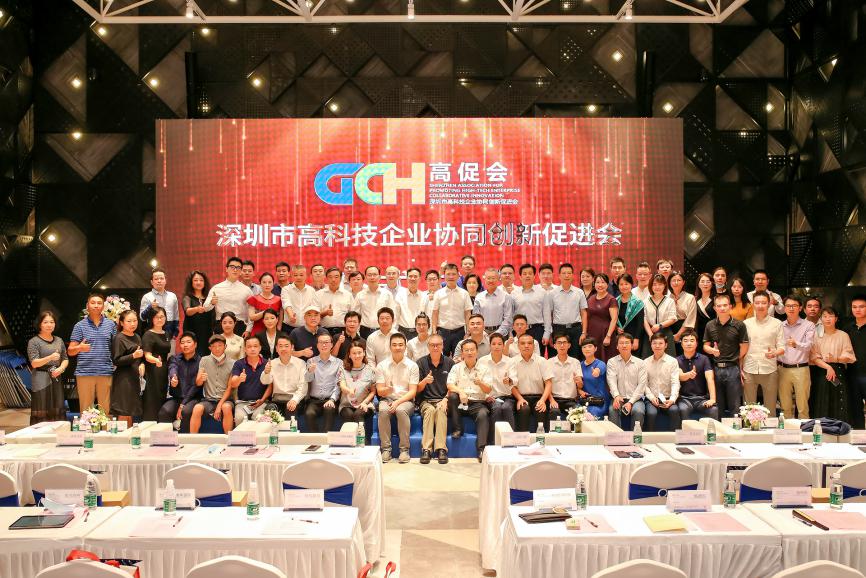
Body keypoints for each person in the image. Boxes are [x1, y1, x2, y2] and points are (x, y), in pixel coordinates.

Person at [703, 293, 749, 417]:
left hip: (733, 368)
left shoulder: (739, 325)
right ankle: (720, 428)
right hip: (716, 368)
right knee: (718, 405)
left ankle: (735, 428)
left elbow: (744, 346)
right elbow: (705, 346)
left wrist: (736, 359)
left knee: (735, 405)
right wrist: (712, 350)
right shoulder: (710, 325)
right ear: (715, 308)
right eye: (719, 306)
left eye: (725, 305)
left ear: (730, 306)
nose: (722, 308)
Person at [68, 293, 116, 413]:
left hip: (105, 371)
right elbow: (70, 351)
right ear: (87, 306)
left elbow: (115, 348)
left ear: (103, 306)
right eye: (93, 303)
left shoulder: (111, 325)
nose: (96, 305)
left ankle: (105, 426)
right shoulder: (79, 326)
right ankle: (86, 426)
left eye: (99, 303)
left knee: (105, 409)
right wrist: (79, 347)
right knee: (86, 410)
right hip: (85, 372)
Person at [376, 333, 419, 463]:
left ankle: (404, 450)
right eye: (394, 345)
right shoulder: (382, 366)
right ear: (390, 347)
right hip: (387, 399)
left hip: (406, 400)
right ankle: (386, 449)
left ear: (405, 347)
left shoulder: (412, 366)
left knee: (400, 410)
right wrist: (387, 390)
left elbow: (413, 392)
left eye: (400, 345)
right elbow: (380, 391)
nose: (397, 347)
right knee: (383, 410)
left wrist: (398, 402)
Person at [447, 339, 493, 461]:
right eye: (466, 350)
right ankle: (458, 429)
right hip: (460, 402)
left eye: (472, 350)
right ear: (462, 353)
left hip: (477, 402)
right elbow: (450, 385)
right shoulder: (456, 367)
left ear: (477, 351)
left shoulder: (485, 368)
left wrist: (480, 383)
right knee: (453, 396)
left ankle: (481, 449)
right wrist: (461, 392)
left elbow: (488, 389)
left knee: (483, 414)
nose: (469, 352)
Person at [741, 291, 784, 416]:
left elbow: (782, 347)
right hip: (749, 368)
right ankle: (750, 427)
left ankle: (770, 428)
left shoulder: (777, 323)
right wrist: (740, 368)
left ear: (769, 304)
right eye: (757, 303)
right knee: (749, 409)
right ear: (753, 304)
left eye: (763, 303)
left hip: (770, 368)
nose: (760, 306)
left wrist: (775, 353)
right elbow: (742, 348)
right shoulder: (746, 323)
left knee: (770, 408)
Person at [811, 307, 857, 423]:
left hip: (839, 370)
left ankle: (840, 428)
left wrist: (836, 359)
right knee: (822, 399)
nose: (828, 319)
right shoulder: (816, 335)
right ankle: (822, 428)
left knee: (839, 401)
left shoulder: (843, 335)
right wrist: (828, 367)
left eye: (831, 316)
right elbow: (814, 357)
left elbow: (849, 355)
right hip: (822, 371)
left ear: (836, 319)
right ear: (821, 319)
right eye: (825, 316)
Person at [415, 333, 454, 464]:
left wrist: (446, 399)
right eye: (433, 345)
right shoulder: (421, 363)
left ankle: (441, 449)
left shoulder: (450, 363)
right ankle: (426, 449)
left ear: (442, 346)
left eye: (438, 345)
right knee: (430, 411)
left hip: (443, 400)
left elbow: (454, 385)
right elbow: (416, 389)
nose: (435, 348)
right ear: (428, 346)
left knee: (440, 411)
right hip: (425, 401)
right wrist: (424, 381)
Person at [27, 312, 68, 424]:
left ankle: (58, 432)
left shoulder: (59, 340)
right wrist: (50, 357)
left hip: (56, 376)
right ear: (39, 324)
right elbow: (34, 363)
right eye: (45, 322)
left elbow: (65, 359)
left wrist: (61, 369)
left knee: (57, 405)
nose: (49, 325)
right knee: (42, 406)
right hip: (41, 377)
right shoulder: (34, 341)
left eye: (52, 322)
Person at [778, 296, 815, 419]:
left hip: (801, 369)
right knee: (785, 406)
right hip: (782, 369)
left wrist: (796, 344)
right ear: (784, 308)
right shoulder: (780, 326)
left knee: (802, 406)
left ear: (800, 308)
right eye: (788, 306)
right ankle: (787, 429)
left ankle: (804, 429)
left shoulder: (808, 325)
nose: (791, 308)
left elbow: (809, 346)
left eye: (794, 306)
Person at [509, 333, 554, 432]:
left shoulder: (542, 361)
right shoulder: (512, 362)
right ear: (518, 346)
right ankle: (522, 439)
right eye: (523, 343)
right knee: (523, 409)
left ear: (534, 345)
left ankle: (541, 439)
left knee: (540, 408)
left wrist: (543, 400)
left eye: (529, 343)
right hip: (520, 396)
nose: (526, 346)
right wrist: (520, 399)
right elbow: (511, 385)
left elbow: (548, 383)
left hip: (539, 396)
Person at [190, 334, 235, 433]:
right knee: (197, 408)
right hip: (209, 400)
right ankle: (192, 438)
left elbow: (230, 388)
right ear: (210, 348)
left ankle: (229, 438)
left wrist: (219, 406)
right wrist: (201, 379)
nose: (217, 348)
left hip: (225, 400)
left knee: (226, 407)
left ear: (225, 346)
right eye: (213, 346)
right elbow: (198, 383)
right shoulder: (204, 360)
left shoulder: (233, 363)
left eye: (220, 345)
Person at [543, 263, 588, 359]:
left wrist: (584, 332)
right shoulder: (552, 293)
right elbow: (549, 315)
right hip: (558, 329)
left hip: (576, 329)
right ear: (559, 276)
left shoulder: (579, 292)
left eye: (569, 273)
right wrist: (549, 333)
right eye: (564, 273)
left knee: (576, 358)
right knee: (557, 358)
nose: (566, 275)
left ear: (573, 275)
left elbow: (584, 313)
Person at [203, 256, 253, 335]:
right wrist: (212, 303)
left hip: (240, 326)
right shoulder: (216, 288)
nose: (235, 270)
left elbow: (251, 311)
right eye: (232, 267)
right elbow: (205, 308)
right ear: (226, 269)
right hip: (221, 326)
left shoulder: (247, 290)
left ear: (241, 271)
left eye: (238, 267)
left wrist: (248, 330)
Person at [606, 333, 648, 428]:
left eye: (627, 343)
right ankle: (616, 436)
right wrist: (616, 396)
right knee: (613, 410)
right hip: (618, 397)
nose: (624, 345)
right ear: (617, 346)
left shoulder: (640, 363)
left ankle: (636, 436)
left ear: (632, 345)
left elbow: (641, 385)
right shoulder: (612, 362)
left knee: (638, 411)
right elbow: (611, 381)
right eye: (621, 343)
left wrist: (630, 402)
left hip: (636, 398)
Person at [229, 335, 273, 425]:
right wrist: (239, 379)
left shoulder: (267, 364)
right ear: (245, 349)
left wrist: (262, 400)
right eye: (249, 347)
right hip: (243, 403)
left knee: (258, 418)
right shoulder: (239, 363)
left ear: (260, 348)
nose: (252, 349)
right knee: (239, 418)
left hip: (262, 403)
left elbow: (270, 385)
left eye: (255, 346)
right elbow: (233, 384)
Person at [160, 332, 201, 428]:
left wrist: (183, 404)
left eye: (188, 342)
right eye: (182, 343)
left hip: (193, 398)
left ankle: (185, 437)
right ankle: (168, 436)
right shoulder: (175, 358)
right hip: (177, 397)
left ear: (195, 344)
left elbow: (195, 386)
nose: (185, 345)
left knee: (186, 412)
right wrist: (173, 377)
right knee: (164, 411)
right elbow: (172, 368)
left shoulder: (201, 361)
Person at [643, 332, 683, 431]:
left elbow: (675, 382)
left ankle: (674, 438)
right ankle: (650, 438)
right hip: (652, 399)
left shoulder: (672, 361)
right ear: (651, 345)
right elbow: (644, 384)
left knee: (674, 410)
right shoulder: (645, 362)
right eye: (654, 343)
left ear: (666, 345)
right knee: (651, 413)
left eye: (660, 343)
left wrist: (672, 399)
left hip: (668, 398)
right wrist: (651, 397)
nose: (657, 346)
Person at [676, 329, 718, 420]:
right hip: (684, 399)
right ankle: (685, 430)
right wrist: (688, 375)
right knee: (682, 409)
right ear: (681, 343)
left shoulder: (704, 359)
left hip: (701, 399)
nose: (689, 343)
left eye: (692, 340)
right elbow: (680, 376)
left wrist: (712, 399)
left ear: (696, 343)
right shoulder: (677, 360)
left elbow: (710, 379)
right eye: (685, 341)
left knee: (713, 410)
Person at [432, 263, 473, 357]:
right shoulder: (438, 293)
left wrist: (468, 333)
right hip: (442, 332)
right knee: (441, 359)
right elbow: (435, 313)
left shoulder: (464, 293)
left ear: (458, 275)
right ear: (444, 276)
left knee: (459, 359)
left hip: (459, 332)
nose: (451, 277)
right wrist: (434, 333)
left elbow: (468, 314)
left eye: (453, 274)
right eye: (448, 274)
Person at [339, 343, 376, 443]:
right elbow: (342, 386)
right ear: (349, 355)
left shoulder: (370, 370)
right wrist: (349, 391)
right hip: (347, 404)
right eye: (354, 353)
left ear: (364, 353)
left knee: (358, 414)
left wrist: (365, 403)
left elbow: (373, 392)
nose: (357, 355)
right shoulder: (343, 368)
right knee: (348, 414)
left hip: (365, 404)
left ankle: (363, 443)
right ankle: (348, 444)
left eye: (359, 352)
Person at [304, 333, 341, 432]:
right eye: (321, 342)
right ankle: (315, 439)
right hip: (314, 400)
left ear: (332, 345)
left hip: (330, 399)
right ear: (317, 345)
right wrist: (310, 372)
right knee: (309, 413)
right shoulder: (311, 361)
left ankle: (325, 438)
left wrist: (332, 399)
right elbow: (307, 380)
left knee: (329, 410)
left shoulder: (338, 363)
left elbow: (338, 385)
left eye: (326, 342)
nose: (324, 345)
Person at [480, 333, 516, 433]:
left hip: (507, 397)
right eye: (494, 344)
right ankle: (494, 439)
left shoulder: (510, 361)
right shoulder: (482, 361)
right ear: (490, 345)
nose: (496, 346)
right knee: (496, 407)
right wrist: (486, 396)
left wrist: (509, 380)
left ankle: (511, 438)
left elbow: (515, 379)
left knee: (506, 408)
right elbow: (479, 382)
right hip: (490, 397)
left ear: (503, 346)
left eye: (499, 344)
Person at [141, 306, 171, 421]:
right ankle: (149, 423)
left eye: (162, 316)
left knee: (162, 396)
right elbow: (147, 356)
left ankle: (161, 424)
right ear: (151, 319)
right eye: (156, 317)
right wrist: (156, 360)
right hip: (152, 369)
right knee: (152, 398)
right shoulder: (148, 334)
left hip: (163, 369)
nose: (159, 319)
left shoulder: (166, 333)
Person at [268, 334, 307, 420]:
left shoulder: (301, 363)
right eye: (280, 346)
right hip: (277, 399)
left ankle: (292, 429)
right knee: (269, 412)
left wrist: (295, 400)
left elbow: (303, 386)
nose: (283, 349)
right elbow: (265, 381)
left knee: (291, 410)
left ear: (292, 347)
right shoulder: (272, 363)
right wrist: (266, 372)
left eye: (286, 346)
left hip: (294, 398)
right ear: (276, 348)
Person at [545, 333, 582, 420]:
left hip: (571, 400)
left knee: (578, 413)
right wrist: (551, 400)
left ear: (569, 345)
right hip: (554, 399)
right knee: (554, 412)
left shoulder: (575, 362)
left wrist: (579, 382)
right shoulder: (549, 363)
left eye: (564, 342)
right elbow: (546, 384)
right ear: (554, 346)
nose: (562, 345)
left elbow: (580, 386)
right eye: (559, 343)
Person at [353, 266, 397, 338]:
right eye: (369, 275)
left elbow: (393, 314)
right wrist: (356, 332)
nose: (372, 277)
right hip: (364, 332)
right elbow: (356, 316)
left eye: (375, 275)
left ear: (379, 277)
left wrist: (391, 331)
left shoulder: (387, 294)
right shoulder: (360, 295)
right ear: (366, 277)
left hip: (383, 330)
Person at [511, 264, 546, 348]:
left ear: (534, 276)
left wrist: (547, 333)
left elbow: (547, 314)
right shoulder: (514, 293)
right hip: (519, 329)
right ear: (520, 276)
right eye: (524, 274)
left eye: (530, 273)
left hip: (537, 330)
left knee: (537, 354)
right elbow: (511, 314)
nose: (527, 276)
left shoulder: (542, 292)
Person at [473, 268, 515, 338]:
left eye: (493, 278)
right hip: (482, 333)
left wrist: (497, 333)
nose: (491, 281)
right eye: (488, 278)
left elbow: (508, 319)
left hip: (501, 334)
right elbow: (476, 317)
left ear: (498, 279)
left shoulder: (505, 296)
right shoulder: (479, 297)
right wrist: (483, 333)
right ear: (485, 279)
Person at [585, 273, 618, 361]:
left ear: (607, 284)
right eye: (597, 282)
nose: (600, 285)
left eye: (603, 282)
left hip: (605, 335)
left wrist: (608, 336)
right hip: (592, 334)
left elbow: (614, 319)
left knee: (605, 358)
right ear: (594, 284)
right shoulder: (590, 299)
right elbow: (587, 317)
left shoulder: (611, 299)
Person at [139, 267, 180, 338]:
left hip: (169, 330)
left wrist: (176, 331)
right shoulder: (147, 297)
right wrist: (150, 307)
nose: (159, 281)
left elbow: (176, 315)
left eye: (161, 278)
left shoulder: (172, 296)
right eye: (156, 279)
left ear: (165, 280)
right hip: (153, 330)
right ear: (152, 282)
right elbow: (142, 317)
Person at [642, 274, 677, 357]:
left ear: (664, 286)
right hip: (650, 332)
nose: (657, 287)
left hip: (665, 332)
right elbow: (644, 319)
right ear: (651, 286)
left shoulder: (670, 301)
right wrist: (650, 334)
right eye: (654, 284)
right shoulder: (645, 301)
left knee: (669, 360)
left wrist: (660, 325)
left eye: (660, 284)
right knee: (648, 359)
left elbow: (673, 318)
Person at [181, 270, 214, 356]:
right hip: (192, 332)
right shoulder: (187, 297)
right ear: (191, 283)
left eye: (201, 280)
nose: (198, 282)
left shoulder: (209, 298)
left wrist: (213, 303)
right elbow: (187, 311)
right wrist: (196, 309)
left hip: (207, 333)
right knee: (193, 356)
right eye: (195, 280)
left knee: (206, 356)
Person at [845, 295, 866, 429]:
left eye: (861, 307)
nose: (857, 310)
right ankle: (860, 435)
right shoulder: (847, 329)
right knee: (855, 409)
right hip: (852, 374)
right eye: (854, 307)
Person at [315, 268, 352, 339]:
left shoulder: (348, 295)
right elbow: (313, 316)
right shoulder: (318, 294)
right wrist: (325, 313)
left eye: (336, 277)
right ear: (326, 278)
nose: (333, 280)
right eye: (330, 277)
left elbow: (352, 315)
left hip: (344, 331)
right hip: (324, 331)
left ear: (340, 278)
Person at [578, 338, 609, 420]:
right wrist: (580, 391)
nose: (587, 349)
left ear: (595, 348)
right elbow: (578, 386)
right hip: (584, 401)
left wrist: (596, 372)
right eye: (584, 347)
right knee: (574, 413)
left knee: (590, 415)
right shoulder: (579, 365)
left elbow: (598, 370)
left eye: (590, 346)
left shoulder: (600, 363)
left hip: (599, 402)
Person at [669, 271, 697, 356]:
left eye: (679, 280)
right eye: (673, 280)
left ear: (683, 282)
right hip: (669, 329)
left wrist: (678, 335)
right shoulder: (667, 298)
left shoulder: (690, 297)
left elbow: (690, 318)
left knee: (684, 355)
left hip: (685, 330)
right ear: (669, 282)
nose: (676, 283)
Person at [615, 273, 644, 354]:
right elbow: (613, 320)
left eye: (626, 284)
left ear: (631, 285)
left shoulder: (638, 302)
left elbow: (640, 323)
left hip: (633, 338)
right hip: (620, 339)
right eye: (621, 284)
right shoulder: (615, 301)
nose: (624, 286)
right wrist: (617, 328)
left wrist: (636, 339)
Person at [282, 265, 317, 329]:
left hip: (306, 327)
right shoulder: (286, 289)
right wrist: (290, 315)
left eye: (301, 275)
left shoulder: (311, 290)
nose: (298, 277)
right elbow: (286, 303)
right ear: (292, 276)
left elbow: (313, 307)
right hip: (289, 327)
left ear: (306, 276)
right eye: (295, 275)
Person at [395, 267, 425, 339]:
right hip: (402, 332)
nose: (413, 278)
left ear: (419, 278)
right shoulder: (400, 295)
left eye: (415, 276)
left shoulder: (424, 296)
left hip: (420, 332)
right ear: (407, 278)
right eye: (410, 276)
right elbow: (396, 315)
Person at [694, 272, 716, 349]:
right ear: (698, 284)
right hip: (699, 333)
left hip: (714, 332)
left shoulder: (716, 298)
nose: (705, 284)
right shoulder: (695, 299)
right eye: (702, 281)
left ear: (712, 284)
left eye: (708, 281)